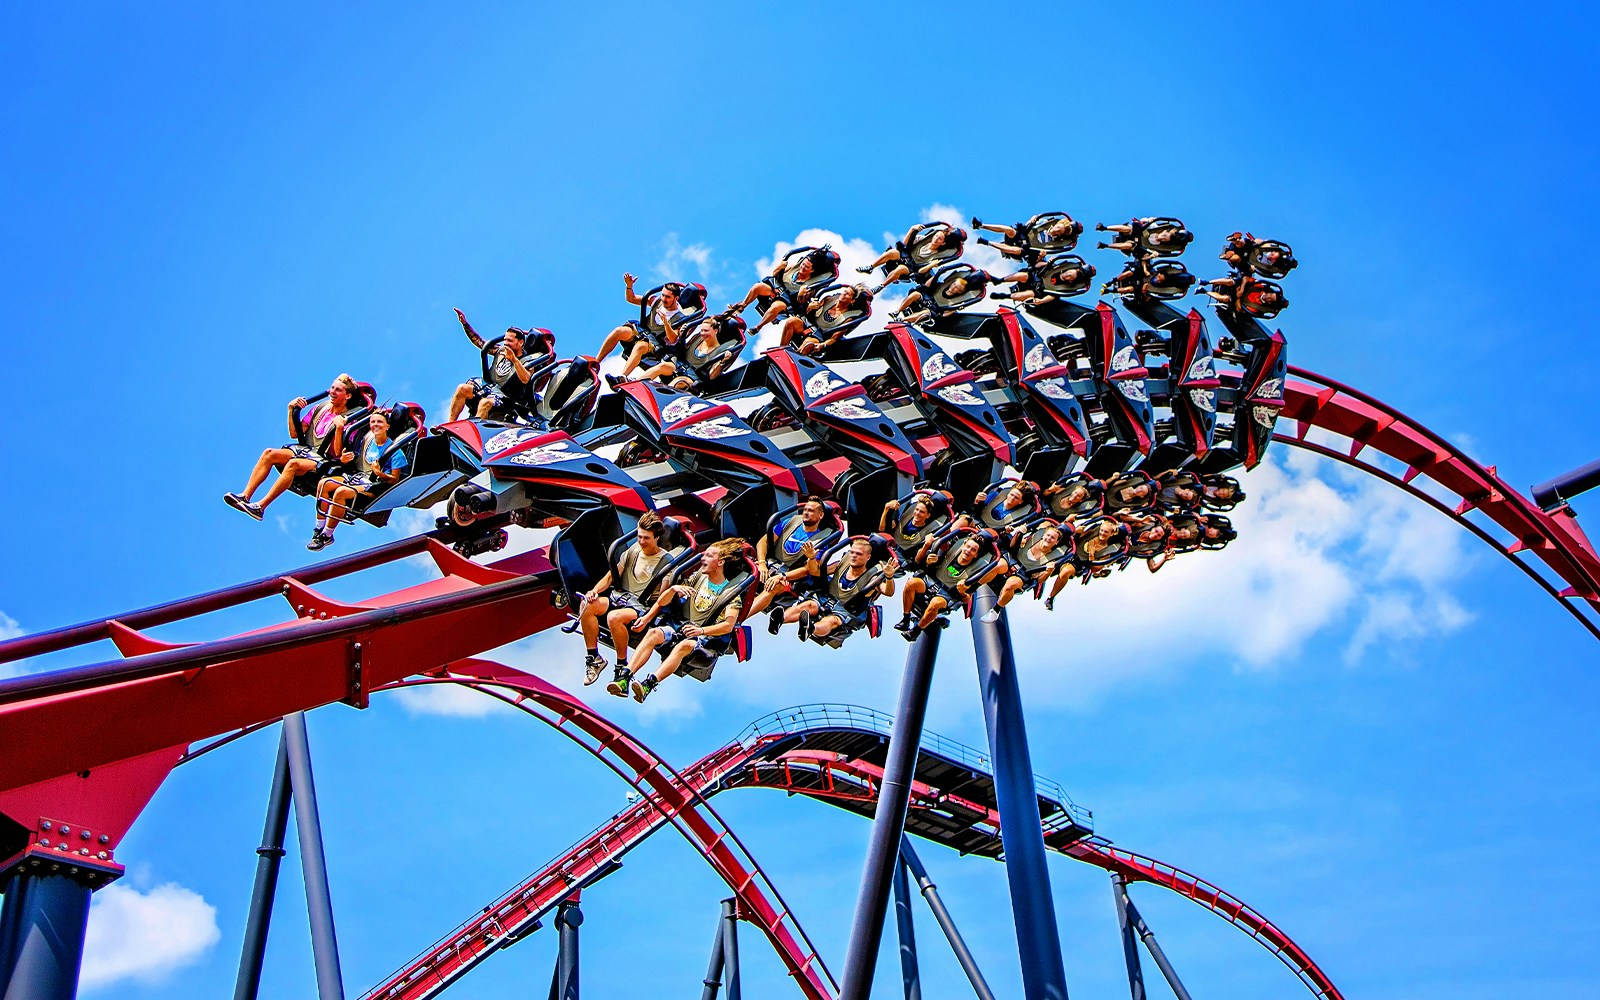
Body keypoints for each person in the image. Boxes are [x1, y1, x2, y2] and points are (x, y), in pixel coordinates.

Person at [613, 539, 750, 703]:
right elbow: (662, 602)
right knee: (654, 633)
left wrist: (702, 631)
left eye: (709, 556)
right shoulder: (698, 577)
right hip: (681, 628)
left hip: (706, 642)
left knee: (683, 646)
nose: (703, 559)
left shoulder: (731, 593)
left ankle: (648, 684)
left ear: (720, 562)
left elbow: (728, 626)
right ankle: (624, 678)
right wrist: (673, 590)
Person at [225, 373, 363, 521]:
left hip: (327, 461)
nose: (332, 392)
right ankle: (245, 496)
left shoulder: (350, 420)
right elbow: (294, 433)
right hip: (308, 452)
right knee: (269, 453)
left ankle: (260, 507)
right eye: (332, 388)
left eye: (338, 390)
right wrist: (291, 410)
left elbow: (337, 452)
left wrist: (339, 428)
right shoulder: (320, 408)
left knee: (293, 464)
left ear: (347, 396)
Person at [577, 513, 682, 688]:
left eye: (646, 538)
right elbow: (611, 576)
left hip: (641, 607)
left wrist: (647, 618)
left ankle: (621, 666)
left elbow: (662, 599)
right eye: (639, 536)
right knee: (586, 605)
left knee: (614, 618)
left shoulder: (666, 562)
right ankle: (594, 659)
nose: (641, 541)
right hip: (621, 597)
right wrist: (594, 591)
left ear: (657, 537)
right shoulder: (634, 550)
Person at [307, 408, 411, 550]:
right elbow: (355, 460)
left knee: (340, 492)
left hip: (376, 486)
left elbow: (394, 480)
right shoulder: (366, 441)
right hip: (358, 478)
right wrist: (344, 459)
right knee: (324, 483)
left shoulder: (395, 452)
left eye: (379, 422)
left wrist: (380, 474)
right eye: (372, 422)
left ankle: (327, 535)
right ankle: (319, 529)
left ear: (387, 426)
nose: (375, 424)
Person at [769, 536, 896, 643]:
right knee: (809, 605)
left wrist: (889, 577)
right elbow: (815, 571)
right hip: (826, 596)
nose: (853, 556)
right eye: (852, 552)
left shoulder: (874, 576)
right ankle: (780, 619)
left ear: (868, 557)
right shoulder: (842, 563)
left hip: (847, 609)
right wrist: (811, 558)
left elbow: (888, 591)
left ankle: (811, 629)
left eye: (858, 554)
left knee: (832, 620)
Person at [895, 531, 1001, 641]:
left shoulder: (977, 570)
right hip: (931, 581)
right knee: (911, 583)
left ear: (976, 555)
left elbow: (967, 599)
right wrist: (929, 561)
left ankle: (915, 632)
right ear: (964, 544)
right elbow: (926, 563)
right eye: (968, 547)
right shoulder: (952, 550)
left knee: (935, 603)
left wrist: (962, 592)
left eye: (973, 550)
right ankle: (905, 619)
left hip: (947, 594)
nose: (968, 551)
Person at [446, 312, 549, 422]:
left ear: (520, 343)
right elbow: (479, 342)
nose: (505, 343)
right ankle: (449, 426)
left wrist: (514, 360)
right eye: (505, 339)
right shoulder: (500, 350)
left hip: (507, 398)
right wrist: (465, 324)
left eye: (509, 341)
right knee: (462, 388)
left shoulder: (528, 362)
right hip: (490, 387)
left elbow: (526, 379)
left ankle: (473, 433)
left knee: (484, 403)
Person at [750, 498, 841, 620]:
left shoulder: (821, 540)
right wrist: (761, 563)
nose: (806, 513)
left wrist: (783, 576)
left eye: (811, 511)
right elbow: (763, 542)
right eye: (806, 509)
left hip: (791, 578)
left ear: (821, 515)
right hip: (769, 564)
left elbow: (807, 570)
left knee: (774, 585)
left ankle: (739, 619)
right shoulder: (791, 522)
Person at [595, 275, 700, 372]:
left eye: (667, 297)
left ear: (676, 298)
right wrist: (629, 286)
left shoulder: (680, 318)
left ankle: (622, 376)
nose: (663, 299)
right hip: (642, 331)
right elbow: (631, 299)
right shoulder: (656, 301)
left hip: (656, 343)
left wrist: (666, 323)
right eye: (663, 295)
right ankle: (596, 363)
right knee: (619, 331)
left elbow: (673, 339)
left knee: (640, 346)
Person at [728, 247, 834, 335]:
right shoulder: (794, 267)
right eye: (802, 264)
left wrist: (801, 294)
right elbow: (774, 276)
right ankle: (742, 306)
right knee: (758, 286)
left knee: (776, 306)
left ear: (812, 270)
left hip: (788, 300)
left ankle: (758, 327)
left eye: (806, 267)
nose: (802, 267)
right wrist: (779, 268)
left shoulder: (810, 285)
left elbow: (801, 302)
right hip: (777, 288)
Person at [988, 521, 1077, 617]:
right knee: (997, 565)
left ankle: (996, 610)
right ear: (1043, 535)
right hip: (1014, 558)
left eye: (1052, 538)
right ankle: (974, 586)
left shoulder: (1056, 556)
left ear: (1057, 542)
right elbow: (1013, 547)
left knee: (1011, 584)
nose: (1049, 539)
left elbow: (1040, 580)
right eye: (1048, 535)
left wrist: (1048, 572)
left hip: (1026, 574)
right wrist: (1019, 533)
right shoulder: (1035, 536)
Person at [856, 222, 966, 289]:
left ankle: (881, 286)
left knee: (900, 269)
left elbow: (922, 271)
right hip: (905, 256)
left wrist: (932, 265)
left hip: (912, 267)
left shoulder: (936, 256)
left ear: (943, 243)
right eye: (936, 236)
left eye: (939, 239)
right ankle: (870, 267)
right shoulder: (922, 240)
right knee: (892, 253)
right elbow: (904, 245)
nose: (936, 239)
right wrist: (912, 229)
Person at [776, 284, 873, 355]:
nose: (844, 294)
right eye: (844, 291)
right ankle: (781, 350)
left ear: (852, 300)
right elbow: (810, 312)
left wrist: (823, 345)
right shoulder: (829, 299)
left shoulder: (848, 319)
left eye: (847, 294)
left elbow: (834, 338)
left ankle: (793, 358)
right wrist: (810, 307)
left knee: (808, 344)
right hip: (809, 324)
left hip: (820, 335)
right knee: (791, 321)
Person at [989, 253, 1096, 306]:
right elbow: (1041, 265)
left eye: (1070, 277)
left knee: (1028, 294)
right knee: (1024, 275)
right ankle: (999, 280)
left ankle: (1003, 296)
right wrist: (1045, 263)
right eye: (1069, 273)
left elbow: (1052, 297)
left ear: (1071, 281)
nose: (1067, 276)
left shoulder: (1064, 288)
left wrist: (1041, 301)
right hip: (1037, 276)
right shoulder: (1061, 267)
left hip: (1041, 290)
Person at [971, 212, 1083, 260]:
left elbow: (1045, 252)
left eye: (1059, 232)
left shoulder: (1055, 243)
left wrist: (1041, 255)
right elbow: (1031, 224)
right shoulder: (1045, 222)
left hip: (1029, 248)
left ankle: (986, 242)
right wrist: (1032, 219)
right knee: (1009, 230)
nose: (1056, 231)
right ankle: (980, 225)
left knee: (1017, 251)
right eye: (1058, 228)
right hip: (1024, 236)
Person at [1096, 217, 1193, 257]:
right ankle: (1104, 228)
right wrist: (1148, 220)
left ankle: (1105, 245)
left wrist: (1153, 254)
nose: (1163, 238)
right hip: (1142, 233)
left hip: (1142, 244)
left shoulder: (1160, 248)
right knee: (1129, 229)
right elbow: (1143, 220)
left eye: (1166, 239)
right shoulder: (1155, 227)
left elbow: (1154, 254)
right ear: (1164, 231)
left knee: (1130, 246)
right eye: (1165, 235)